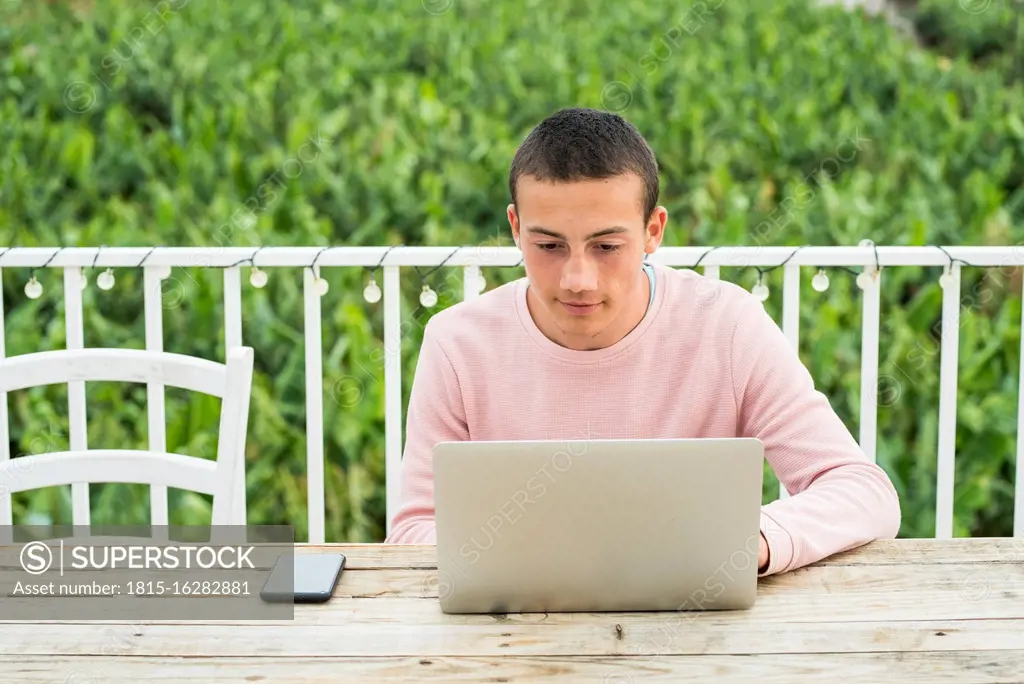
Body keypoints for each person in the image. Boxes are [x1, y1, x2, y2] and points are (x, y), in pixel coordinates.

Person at [384, 107, 901, 576]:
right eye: (548, 245)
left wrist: (755, 541)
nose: (577, 279)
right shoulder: (456, 343)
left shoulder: (728, 325)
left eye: (607, 245)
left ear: (654, 230)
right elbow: (413, 531)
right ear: (515, 228)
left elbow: (863, 490)